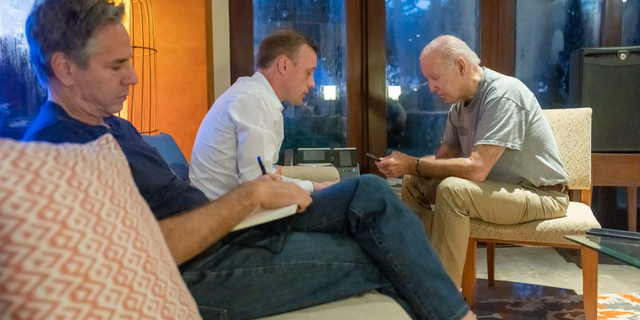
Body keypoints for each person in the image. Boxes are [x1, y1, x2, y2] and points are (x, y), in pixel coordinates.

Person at [22, 1, 475, 319]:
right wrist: (247, 198)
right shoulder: (59, 150)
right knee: (387, 253)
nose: (134, 76)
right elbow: (139, 252)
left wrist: (252, 199)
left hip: (223, 237)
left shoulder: (110, 124)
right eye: (116, 65)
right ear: (64, 68)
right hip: (201, 273)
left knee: (370, 193)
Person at [376, 35, 570, 289]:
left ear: (460, 65)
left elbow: (477, 169)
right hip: (495, 189)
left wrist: (414, 163)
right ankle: (415, 273)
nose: (430, 87)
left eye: (434, 77)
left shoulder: (502, 94)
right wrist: (405, 165)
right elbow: (441, 160)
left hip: (541, 195)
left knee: (454, 191)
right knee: (414, 182)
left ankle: (442, 297)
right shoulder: (458, 108)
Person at [190, 28, 335, 201]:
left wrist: (314, 186)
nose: (312, 84)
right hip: (232, 218)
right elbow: (259, 186)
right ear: (284, 65)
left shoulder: (255, 95)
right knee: (364, 188)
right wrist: (313, 187)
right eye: (308, 73)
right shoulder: (254, 100)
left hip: (234, 208)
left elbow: (266, 175)